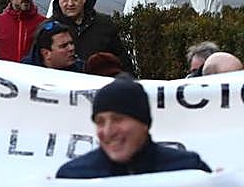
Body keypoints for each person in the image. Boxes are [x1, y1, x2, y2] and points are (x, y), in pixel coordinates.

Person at [56, 76, 211, 178]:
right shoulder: (74, 177)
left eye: (118, 119)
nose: (108, 131)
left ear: (144, 123)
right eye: (100, 122)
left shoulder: (187, 170)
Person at [48, 0, 134, 72]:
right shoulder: (49, 28)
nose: (70, 3)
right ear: (58, 0)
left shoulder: (104, 24)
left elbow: (122, 60)